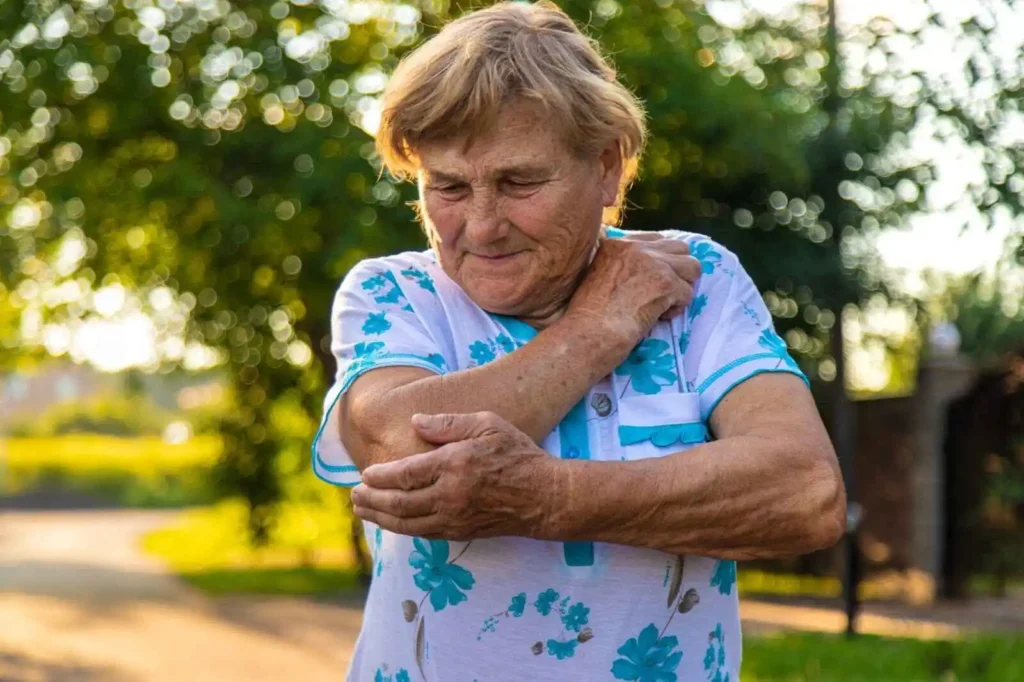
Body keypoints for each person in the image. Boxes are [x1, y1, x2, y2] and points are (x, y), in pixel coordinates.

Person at [311, 3, 846, 680]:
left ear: (607, 167)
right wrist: (598, 328)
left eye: (519, 182)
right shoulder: (394, 294)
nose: (480, 226)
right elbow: (404, 454)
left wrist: (553, 497)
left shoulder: (696, 279)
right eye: (446, 186)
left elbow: (805, 492)